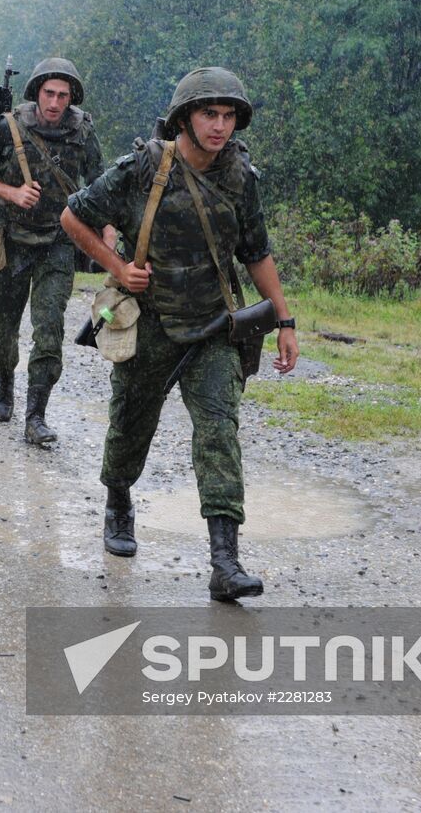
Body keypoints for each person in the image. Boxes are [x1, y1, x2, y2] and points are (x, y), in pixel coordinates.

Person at [60, 67, 299, 601]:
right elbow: (72, 217)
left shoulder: (239, 176)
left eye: (228, 115)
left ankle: (225, 563)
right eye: (208, 114)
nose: (219, 126)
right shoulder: (143, 169)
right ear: (184, 119)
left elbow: (256, 252)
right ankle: (118, 500)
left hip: (215, 325)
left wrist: (284, 320)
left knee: (218, 432)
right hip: (149, 324)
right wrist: (117, 268)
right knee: (129, 426)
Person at [0, 57, 104, 444]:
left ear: (71, 97)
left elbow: (101, 185)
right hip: (9, 241)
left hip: (57, 244)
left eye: (63, 95)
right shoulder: (8, 127)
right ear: (37, 93)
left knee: (50, 331)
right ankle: (4, 377)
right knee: (5, 327)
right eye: (49, 93)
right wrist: (11, 192)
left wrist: (108, 237)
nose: (55, 102)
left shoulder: (82, 132)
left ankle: (36, 416)